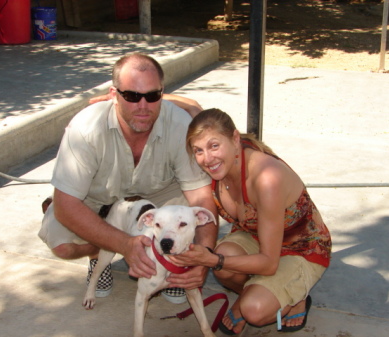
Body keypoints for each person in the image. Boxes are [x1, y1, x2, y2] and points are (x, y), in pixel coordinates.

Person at [38, 53, 217, 304]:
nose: (143, 106)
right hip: (98, 198)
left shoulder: (178, 123)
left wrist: (204, 258)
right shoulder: (85, 128)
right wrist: (123, 244)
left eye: (152, 96)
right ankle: (99, 256)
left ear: (162, 94)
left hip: (158, 194)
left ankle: (175, 261)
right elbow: (66, 207)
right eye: (132, 96)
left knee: (191, 215)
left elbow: (202, 197)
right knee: (63, 246)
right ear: (114, 95)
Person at [170, 108, 332, 334]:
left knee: (254, 310)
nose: (207, 159)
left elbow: (268, 262)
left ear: (235, 138)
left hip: (302, 247)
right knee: (224, 268)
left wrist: (212, 259)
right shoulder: (220, 158)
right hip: (255, 234)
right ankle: (263, 289)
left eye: (214, 146)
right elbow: (188, 106)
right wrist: (114, 97)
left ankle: (291, 296)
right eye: (198, 150)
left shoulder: (266, 178)